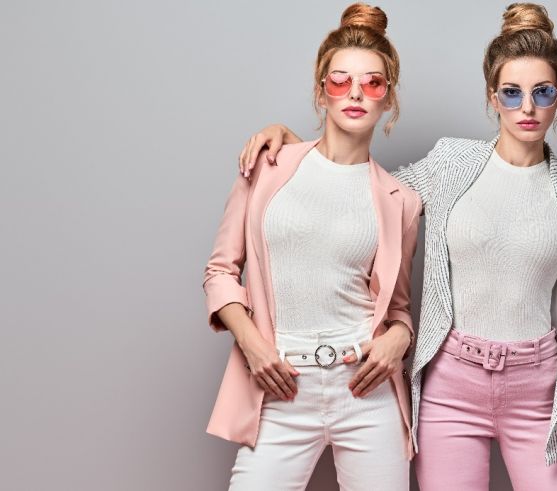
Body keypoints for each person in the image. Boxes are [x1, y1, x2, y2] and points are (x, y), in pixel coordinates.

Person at [237, 3, 557, 490]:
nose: (527, 108)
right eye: (511, 93)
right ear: (493, 98)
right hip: (452, 385)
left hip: (539, 390)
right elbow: (369, 192)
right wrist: (294, 148)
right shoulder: (452, 165)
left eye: (542, 92)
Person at [202, 4, 420, 490]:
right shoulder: (268, 166)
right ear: (321, 91)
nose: (357, 93)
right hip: (280, 385)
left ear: (389, 100)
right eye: (340, 81)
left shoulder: (400, 202)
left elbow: (398, 307)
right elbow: (219, 272)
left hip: (366, 392)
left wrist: (400, 338)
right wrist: (253, 345)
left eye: (373, 83)